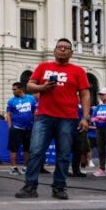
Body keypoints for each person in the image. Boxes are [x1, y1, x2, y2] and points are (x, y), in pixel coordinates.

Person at [15, 38, 90, 200]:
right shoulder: (43, 66)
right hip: (44, 116)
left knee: (63, 154)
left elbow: (85, 94)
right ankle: (30, 187)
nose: (62, 50)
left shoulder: (78, 71)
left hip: (68, 118)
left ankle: (59, 187)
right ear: (54, 51)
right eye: (59, 47)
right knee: (36, 151)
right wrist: (42, 87)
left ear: (71, 52)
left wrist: (85, 117)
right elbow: (29, 86)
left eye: (66, 48)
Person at [5, 82, 37, 176]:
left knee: (27, 148)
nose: (13, 91)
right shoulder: (11, 101)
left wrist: (35, 123)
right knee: (14, 149)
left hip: (29, 128)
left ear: (20, 89)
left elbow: (35, 111)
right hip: (16, 128)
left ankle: (25, 167)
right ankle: (13, 168)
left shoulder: (31, 98)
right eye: (13, 89)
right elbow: (8, 114)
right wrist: (10, 126)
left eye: (14, 89)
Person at [91, 88, 106, 177]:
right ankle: (101, 168)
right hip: (99, 129)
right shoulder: (98, 107)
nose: (101, 96)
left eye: (103, 94)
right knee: (100, 149)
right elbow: (93, 118)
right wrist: (97, 119)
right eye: (100, 95)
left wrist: (103, 119)